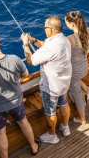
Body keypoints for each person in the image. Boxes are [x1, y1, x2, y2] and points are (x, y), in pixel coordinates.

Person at [0, 31, 40, 158]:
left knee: (0, 134)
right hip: (17, 102)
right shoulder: (14, 59)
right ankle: (33, 146)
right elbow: (26, 75)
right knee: (23, 122)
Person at [21, 16, 72, 144]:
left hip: (51, 87)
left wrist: (25, 44)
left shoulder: (52, 46)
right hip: (64, 83)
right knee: (63, 103)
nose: (44, 29)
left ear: (50, 30)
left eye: (45, 27)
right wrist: (33, 40)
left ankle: (52, 135)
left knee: (50, 111)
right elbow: (45, 44)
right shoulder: (64, 39)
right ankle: (65, 127)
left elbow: (31, 60)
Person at [64, 11, 89, 124]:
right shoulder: (88, 31)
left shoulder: (70, 38)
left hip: (75, 72)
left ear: (72, 24)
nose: (66, 24)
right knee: (76, 79)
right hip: (84, 66)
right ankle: (87, 89)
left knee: (76, 94)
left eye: (66, 22)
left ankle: (82, 118)